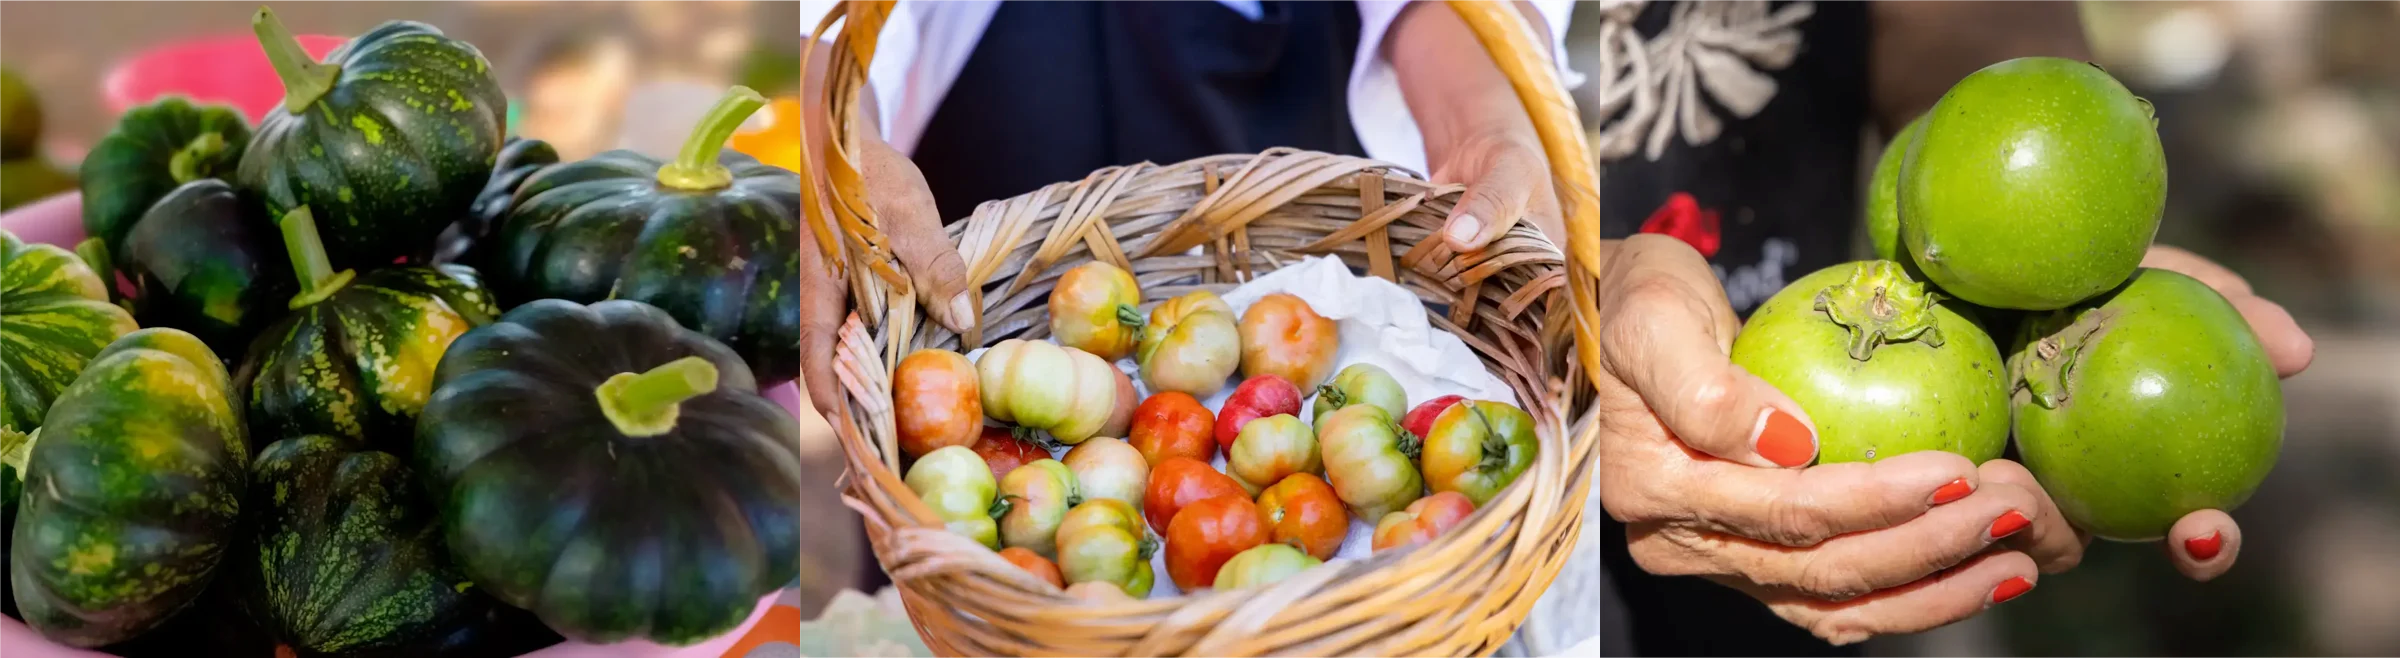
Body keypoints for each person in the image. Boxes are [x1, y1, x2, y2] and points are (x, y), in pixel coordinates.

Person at [781, 2, 2315, 657]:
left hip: (1758, 395)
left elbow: (1994, 82)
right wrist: (818, 150)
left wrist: (2041, 264)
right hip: (997, 237)